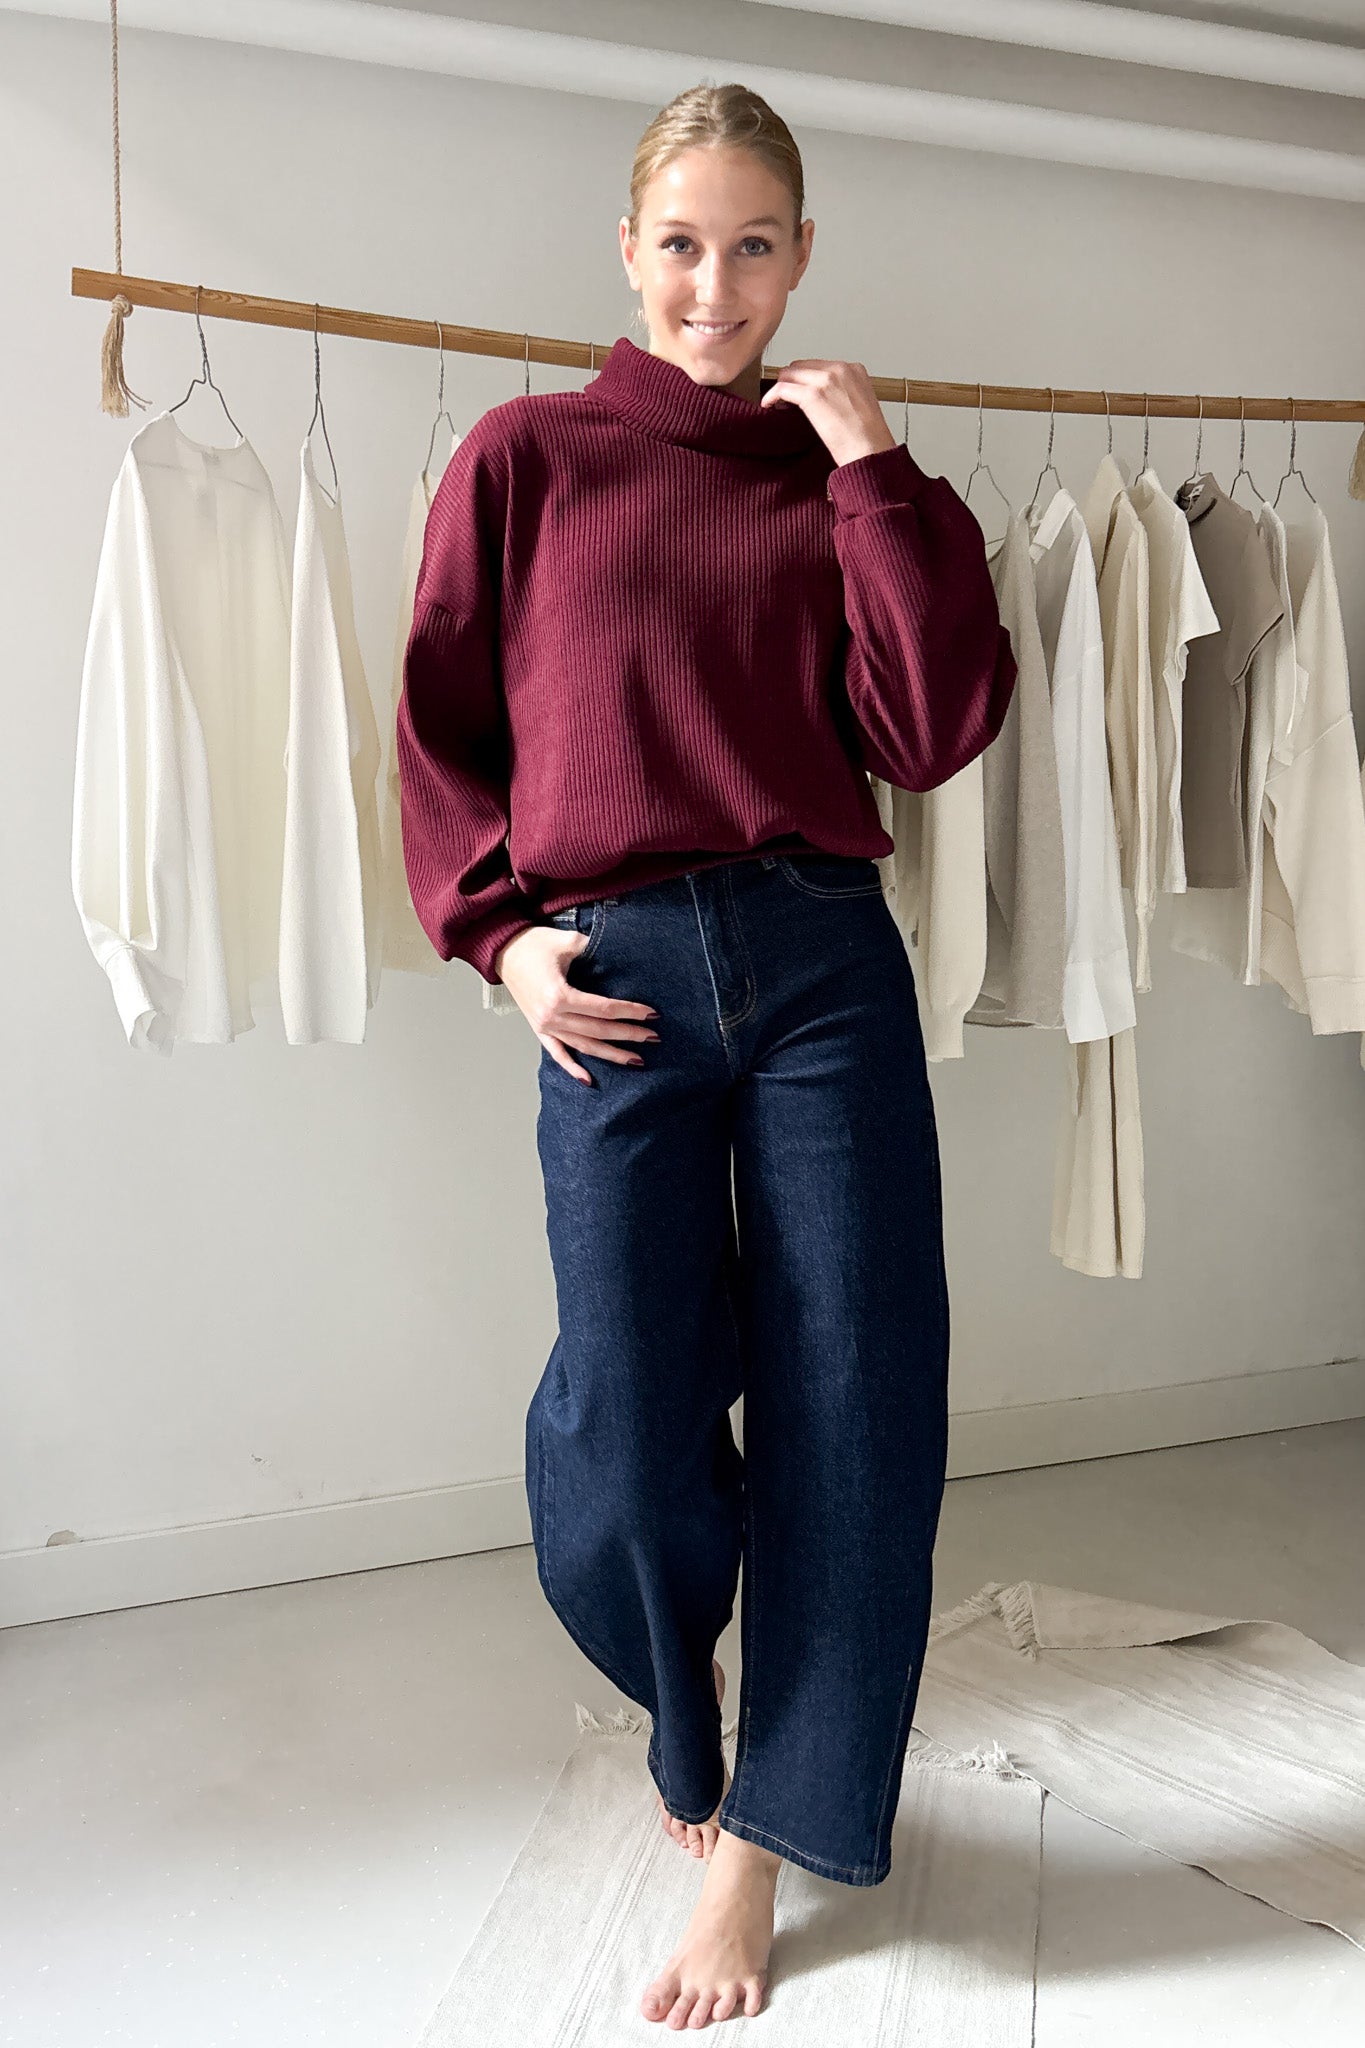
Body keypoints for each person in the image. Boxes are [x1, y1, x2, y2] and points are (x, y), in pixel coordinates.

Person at [397, 80, 1017, 2032]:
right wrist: (501, 940)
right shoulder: (524, 458)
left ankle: (763, 1832)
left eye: (753, 247)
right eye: (680, 243)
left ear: (801, 257)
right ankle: (689, 1724)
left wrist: (873, 473)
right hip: (616, 980)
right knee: (622, 1414)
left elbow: (932, 728)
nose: (713, 286)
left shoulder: (841, 480)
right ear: (626, 245)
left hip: (822, 958)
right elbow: (437, 724)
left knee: (854, 1399)